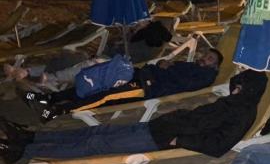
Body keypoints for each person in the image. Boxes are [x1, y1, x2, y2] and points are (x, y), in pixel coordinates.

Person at [0, 70, 267, 164]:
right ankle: (29, 135)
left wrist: (179, 139)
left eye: (240, 86)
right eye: (237, 84)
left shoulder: (242, 112)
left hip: (162, 137)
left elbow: (220, 146)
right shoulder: (234, 101)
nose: (235, 88)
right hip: (158, 126)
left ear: (250, 91)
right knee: (95, 133)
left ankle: (22, 150)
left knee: (96, 145)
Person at [24, 49, 223, 122]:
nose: (205, 58)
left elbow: (182, 83)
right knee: (99, 81)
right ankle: (49, 98)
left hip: (148, 86)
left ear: (215, 65)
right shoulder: (190, 64)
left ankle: (58, 110)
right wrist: (163, 65)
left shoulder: (205, 76)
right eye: (206, 55)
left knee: (105, 96)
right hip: (143, 74)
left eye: (210, 58)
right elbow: (167, 67)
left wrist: (163, 68)